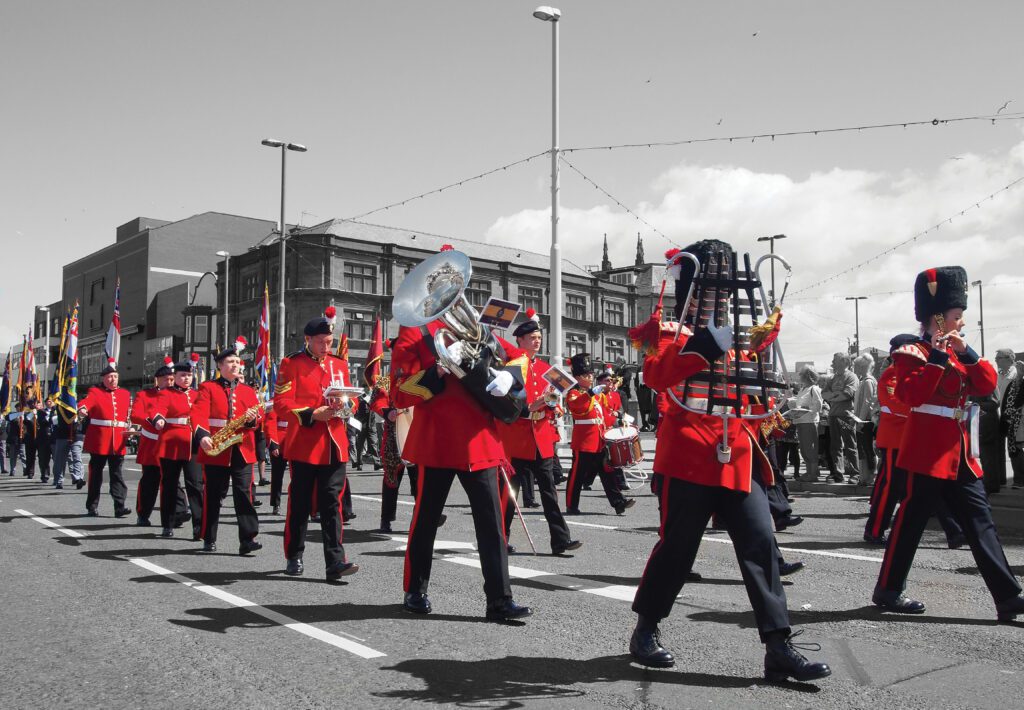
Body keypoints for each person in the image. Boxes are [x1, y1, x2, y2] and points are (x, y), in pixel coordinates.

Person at [627, 240, 829, 682]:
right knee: (678, 549)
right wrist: (702, 345)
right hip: (689, 454)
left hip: (736, 451)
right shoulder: (673, 332)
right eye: (711, 292)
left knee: (761, 545)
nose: (719, 300)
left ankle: (778, 645)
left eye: (724, 294)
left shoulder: (739, 337)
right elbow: (656, 377)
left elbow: (753, 389)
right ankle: (646, 627)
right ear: (693, 293)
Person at [873, 266, 1024, 622]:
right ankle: (889, 590)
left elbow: (986, 386)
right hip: (926, 451)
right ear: (938, 318)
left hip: (959, 452)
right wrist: (938, 357)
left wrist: (966, 351)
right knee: (910, 523)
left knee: (981, 522)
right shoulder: (912, 352)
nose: (962, 322)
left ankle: (1007, 597)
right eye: (957, 317)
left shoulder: (958, 350)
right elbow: (910, 395)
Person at [390, 270, 531, 621]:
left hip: (478, 440)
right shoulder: (415, 332)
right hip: (436, 439)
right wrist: (436, 373)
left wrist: (506, 376)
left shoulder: (480, 328)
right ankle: (415, 590)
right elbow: (399, 391)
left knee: (492, 523)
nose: (446, 297)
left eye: (451, 290)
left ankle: (499, 600)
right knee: (425, 520)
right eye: (437, 291)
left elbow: (519, 357)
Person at [274, 307, 359, 580]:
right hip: (305, 445)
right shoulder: (292, 364)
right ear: (308, 339)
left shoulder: (339, 364)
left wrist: (346, 404)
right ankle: (294, 554)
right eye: (321, 341)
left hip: (335, 444)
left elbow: (353, 399)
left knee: (331, 504)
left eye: (329, 342)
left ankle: (335, 562)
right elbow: (281, 404)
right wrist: (312, 413)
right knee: (299, 504)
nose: (326, 346)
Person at [496, 309, 581, 555]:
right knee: (508, 495)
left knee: (549, 493)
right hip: (516, 438)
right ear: (520, 341)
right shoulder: (510, 366)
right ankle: (501, 538)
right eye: (532, 337)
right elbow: (506, 401)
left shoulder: (546, 369)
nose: (537, 340)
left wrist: (554, 407)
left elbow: (553, 402)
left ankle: (560, 540)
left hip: (541, 438)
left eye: (539, 337)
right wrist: (528, 408)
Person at [191, 337, 263, 555]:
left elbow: (257, 419)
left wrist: (252, 419)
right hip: (216, 446)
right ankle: (208, 537)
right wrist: (202, 435)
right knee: (214, 494)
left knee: (244, 493)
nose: (235, 365)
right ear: (220, 366)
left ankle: (247, 539)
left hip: (242, 447)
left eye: (237, 362)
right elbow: (198, 413)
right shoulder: (208, 388)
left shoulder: (248, 391)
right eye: (230, 362)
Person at [564, 353, 633, 516]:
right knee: (577, 476)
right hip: (584, 442)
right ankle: (571, 505)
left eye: (591, 375)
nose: (590, 378)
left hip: (599, 440)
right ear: (579, 377)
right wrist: (590, 395)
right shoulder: (574, 393)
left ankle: (618, 502)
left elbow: (602, 415)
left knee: (607, 472)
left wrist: (619, 418)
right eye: (587, 375)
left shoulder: (596, 394)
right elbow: (576, 406)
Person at [152, 357, 202, 539]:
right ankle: (167, 523)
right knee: (170, 485)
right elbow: (159, 409)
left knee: (196, 485)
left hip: (193, 444)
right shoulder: (166, 393)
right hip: (171, 442)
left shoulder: (197, 395)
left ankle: (199, 526)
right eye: (183, 375)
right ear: (175, 376)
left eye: (189, 375)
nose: (187, 379)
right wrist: (158, 419)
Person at [77, 359, 132, 517]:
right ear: (103, 379)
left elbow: (128, 414)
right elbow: (86, 402)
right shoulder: (95, 391)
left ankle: (119, 506)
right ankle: (92, 506)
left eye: (115, 376)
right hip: (100, 440)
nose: (113, 379)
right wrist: (82, 409)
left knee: (117, 474)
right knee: (96, 475)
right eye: (109, 377)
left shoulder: (125, 394)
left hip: (118, 440)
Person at [131, 357, 174, 526]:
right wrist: (152, 421)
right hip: (152, 445)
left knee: (172, 481)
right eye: (166, 379)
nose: (169, 382)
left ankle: (176, 512)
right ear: (158, 380)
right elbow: (135, 415)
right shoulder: (145, 394)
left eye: (172, 379)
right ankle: (143, 513)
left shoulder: (179, 395)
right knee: (150, 481)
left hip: (172, 445)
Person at [823, 352, 859, 483]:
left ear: (844, 362)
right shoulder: (831, 378)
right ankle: (838, 473)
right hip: (833, 415)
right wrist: (836, 395)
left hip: (846, 415)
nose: (833, 362)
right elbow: (824, 394)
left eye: (835, 360)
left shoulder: (852, 376)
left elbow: (847, 394)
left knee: (850, 445)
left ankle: (855, 473)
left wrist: (832, 395)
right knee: (835, 446)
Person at [790, 367, 822, 482]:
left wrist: (806, 408)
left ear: (807, 376)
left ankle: (813, 474)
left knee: (810, 448)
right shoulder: (803, 389)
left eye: (801, 374)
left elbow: (818, 406)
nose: (800, 377)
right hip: (801, 421)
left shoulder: (814, 389)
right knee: (804, 449)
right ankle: (809, 472)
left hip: (809, 422)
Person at [852, 353, 879, 486]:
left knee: (867, 448)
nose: (854, 368)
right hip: (863, 419)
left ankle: (870, 476)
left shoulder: (868, 381)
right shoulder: (864, 380)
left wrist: (859, 420)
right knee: (863, 448)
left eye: (856, 365)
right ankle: (864, 476)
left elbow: (867, 402)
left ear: (862, 366)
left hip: (865, 421)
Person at [1000, 360, 1024, 489]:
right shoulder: (1012, 384)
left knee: (1018, 447)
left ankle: (1020, 480)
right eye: (1018, 367)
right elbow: (1005, 403)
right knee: (1013, 449)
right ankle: (1018, 480)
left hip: (1020, 421)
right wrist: (1006, 417)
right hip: (1011, 422)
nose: (1018, 370)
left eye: (1021, 368)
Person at [51, 402, 84, 489]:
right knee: (60, 460)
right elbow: (54, 419)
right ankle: (59, 480)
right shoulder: (59, 406)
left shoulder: (79, 405)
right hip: (62, 435)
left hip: (77, 435)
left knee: (77, 457)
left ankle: (78, 478)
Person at [36, 398, 54, 483]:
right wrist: (49, 417)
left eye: (51, 401)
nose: (49, 403)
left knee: (56, 458)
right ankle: (45, 475)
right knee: (44, 458)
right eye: (47, 401)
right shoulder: (41, 412)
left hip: (54, 437)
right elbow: (41, 421)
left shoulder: (58, 411)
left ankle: (57, 476)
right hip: (44, 437)